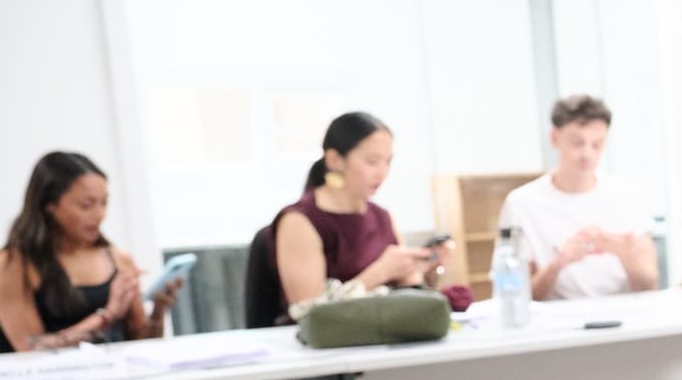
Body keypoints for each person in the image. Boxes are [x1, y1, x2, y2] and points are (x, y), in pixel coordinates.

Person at [0, 152, 182, 353]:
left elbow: (140, 344)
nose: (100, 214)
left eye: (104, 203)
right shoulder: (9, 265)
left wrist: (158, 311)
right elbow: (32, 350)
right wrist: (106, 316)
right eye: (86, 205)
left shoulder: (119, 259)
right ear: (49, 205)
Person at [270, 111, 452, 318]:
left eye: (388, 162)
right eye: (372, 161)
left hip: (383, 336)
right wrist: (380, 272)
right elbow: (309, 313)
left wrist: (424, 270)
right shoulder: (300, 221)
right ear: (335, 160)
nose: (382, 172)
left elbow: (405, 291)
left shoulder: (382, 217)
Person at [497, 94, 659, 300]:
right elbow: (516, 298)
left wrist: (625, 255)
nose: (587, 154)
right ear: (554, 138)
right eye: (577, 143)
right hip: (557, 326)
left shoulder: (628, 196)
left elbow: (650, 286)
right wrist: (559, 263)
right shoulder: (521, 204)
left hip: (625, 321)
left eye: (597, 144)